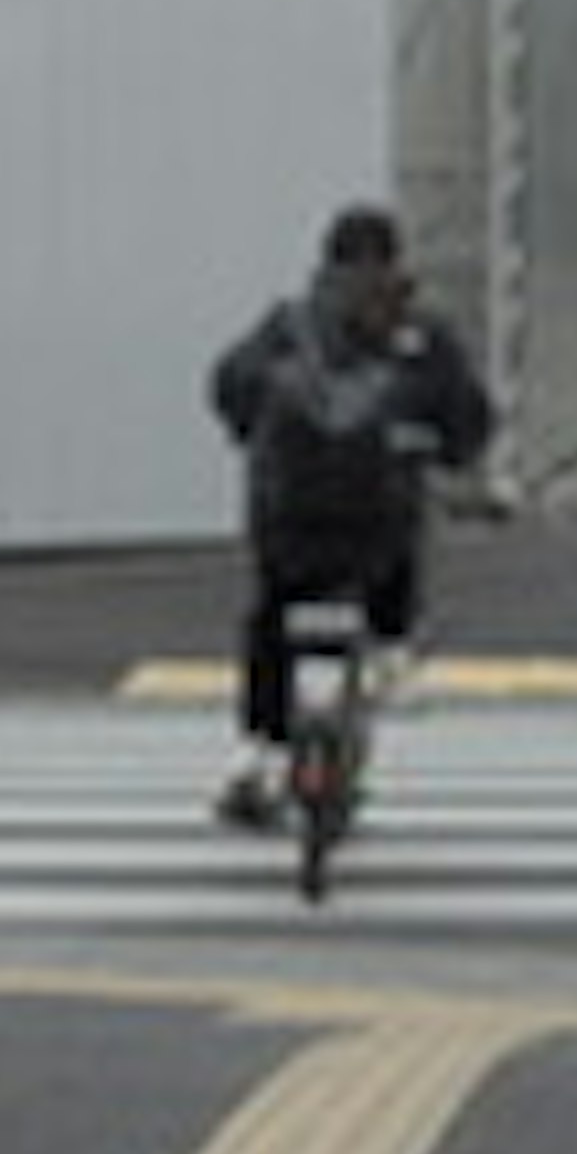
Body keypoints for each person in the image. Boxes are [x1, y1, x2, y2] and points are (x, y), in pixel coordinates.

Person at [205, 201, 493, 829]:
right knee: (403, 532)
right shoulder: (421, 334)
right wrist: (454, 453)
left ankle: (259, 753)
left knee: (269, 616)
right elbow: (468, 420)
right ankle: (392, 643)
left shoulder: (288, 325)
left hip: (289, 530)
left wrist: (251, 430)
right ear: (396, 262)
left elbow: (229, 383)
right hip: (376, 538)